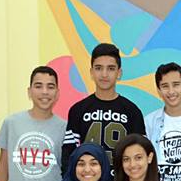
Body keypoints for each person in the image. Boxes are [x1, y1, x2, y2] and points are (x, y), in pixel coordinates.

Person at [61, 43, 145, 173]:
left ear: (119, 73)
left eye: (111, 68)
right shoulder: (78, 110)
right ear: (91, 72)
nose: (104, 74)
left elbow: (140, 154)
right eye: (98, 68)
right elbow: (68, 154)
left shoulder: (132, 111)